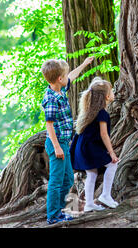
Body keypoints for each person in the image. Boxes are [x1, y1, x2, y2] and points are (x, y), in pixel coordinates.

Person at [41, 57, 94, 224]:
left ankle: (60, 210)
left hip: (64, 143)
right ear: (59, 79)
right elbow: (49, 126)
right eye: (65, 75)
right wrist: (57, 147)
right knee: (56, 181)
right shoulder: (51, 99)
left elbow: (71, 76)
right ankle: (53, 216)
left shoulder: (60, 90)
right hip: (56, 145)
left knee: (69, 179)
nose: (68, 78)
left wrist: (84, 64)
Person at [70, 77, 119, 212]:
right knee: (113, 163)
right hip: (90, 148)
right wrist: (111, 153)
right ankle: (105, 195)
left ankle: (89, 204)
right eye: (112, 91)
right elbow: (104, 135)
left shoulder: (88, 112)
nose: (114, 93)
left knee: (91, 173)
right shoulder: (102, 113)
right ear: (107, 96)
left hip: (83, 148)